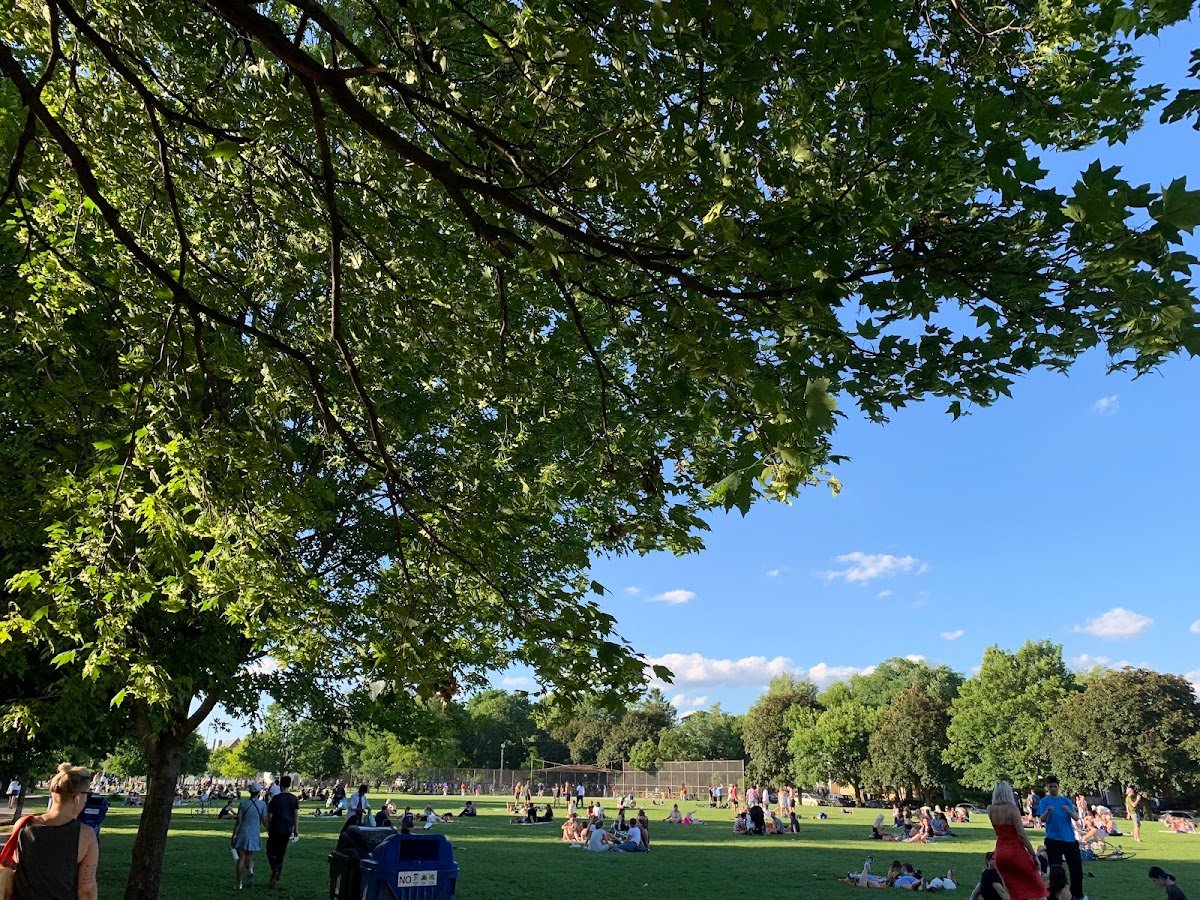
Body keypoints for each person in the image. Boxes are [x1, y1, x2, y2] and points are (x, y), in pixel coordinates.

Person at [8, 763, 98, 900]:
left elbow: (16, 868)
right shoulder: (86, 835)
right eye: (88, 795)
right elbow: (86, 890)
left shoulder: (23, 825)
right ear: (77, 797)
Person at [988, 780, 1047, 900]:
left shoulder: (990, 809)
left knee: (1013, 890)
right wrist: (1033, 854)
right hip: (1015, 851)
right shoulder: (1012, 809)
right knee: (1037, 887)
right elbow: (1021, 834)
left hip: (1000, 852)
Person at [1037, 775, 1084, 900]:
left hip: (1069, 839)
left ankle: (1076, 894)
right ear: (1047, 787)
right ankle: (1054, 895)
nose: (1053, 789)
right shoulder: (1044, 802)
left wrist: (1069, 811)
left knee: (1076, 870)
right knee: (1055, 870)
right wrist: (1048, 811)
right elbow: (1042, 819)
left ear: (1058, 787)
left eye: (1055, 786)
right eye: (1050, 786)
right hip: (1053, 840)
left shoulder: (1066, 801)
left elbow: (1076, 817)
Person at [265, 774, 300, 890]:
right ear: (289, 785)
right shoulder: (294, 798)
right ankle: (276, 876)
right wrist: (296, 829)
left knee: (270, 851)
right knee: (281, 853)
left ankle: (274, 869)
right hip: (287, 829)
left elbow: (269, 816)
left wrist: (269, 827)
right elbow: (296, 815)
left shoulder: (275, 798)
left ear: (280, 785)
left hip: (275, 828)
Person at [232, 783, 267, 890]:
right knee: (250, 857)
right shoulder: (262, 805)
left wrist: (234, 835)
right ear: (259, 792)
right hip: (254, 833)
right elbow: (265, 820)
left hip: (242, 833)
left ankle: (239, 883)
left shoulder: (243, 804)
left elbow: (239, 821)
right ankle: (251, 875)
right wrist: (270, 830)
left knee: (241, 858)